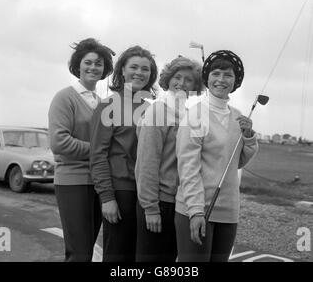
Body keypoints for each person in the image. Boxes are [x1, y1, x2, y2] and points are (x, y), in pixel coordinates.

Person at [175, 50, 259, 262]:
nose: (221, 80)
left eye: (228, 75)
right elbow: (188, 168)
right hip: (196, 209)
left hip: (228, 211)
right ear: (207, 77)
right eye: (216, 73)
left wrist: (248, 137)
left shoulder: (239, 116)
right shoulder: (194, 115)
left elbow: (236, 162)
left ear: (236, 80)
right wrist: (195, 211)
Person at [48, 38, 115, 261]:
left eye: (99, 64)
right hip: (73, 181)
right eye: (88, 62)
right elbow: (59, 142)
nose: (93, 68)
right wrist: (99, 151)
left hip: (99, 182)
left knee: (87, 249)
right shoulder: (64, 98)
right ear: (78, 65)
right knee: (79, 252)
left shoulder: (102, 102)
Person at [90, 45, 158, 262]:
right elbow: (98, 155)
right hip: (121, 192)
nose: (139, 72)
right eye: (134, 67)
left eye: (145, 69)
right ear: (122, 71)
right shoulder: (108, 105)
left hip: (147, 193)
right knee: (118, 257)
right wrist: (107, 198)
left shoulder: (153, 108)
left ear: (151, 75)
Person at [135, 56, 203, 262]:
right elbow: (147, 161)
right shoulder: (158, 110)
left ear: (195, 86)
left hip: (180, 203)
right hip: (159, 202)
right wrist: (150, 208)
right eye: (177, 77)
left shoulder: (192, 115)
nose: (181, 83)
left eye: (188, 79)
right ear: (168, 79)